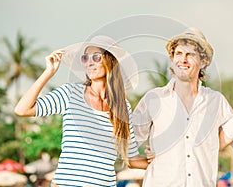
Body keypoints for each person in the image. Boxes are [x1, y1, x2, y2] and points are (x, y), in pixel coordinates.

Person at [14, 35, 148, 187]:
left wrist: (160, 159)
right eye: (85, 58)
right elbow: (22, 109)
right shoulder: (70, 93)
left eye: (96, 57)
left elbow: (132, 158)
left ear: (111, 61)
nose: (89, 62)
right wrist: (48, 72)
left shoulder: (123, 107)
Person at [132, 27, 233, 186]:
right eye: (178, 54)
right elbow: (126, 147)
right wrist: (152, 161)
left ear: (204, 61)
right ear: (172, 59)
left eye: (190, 54)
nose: (183, 60)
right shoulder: (153, 99)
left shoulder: (217, 102)